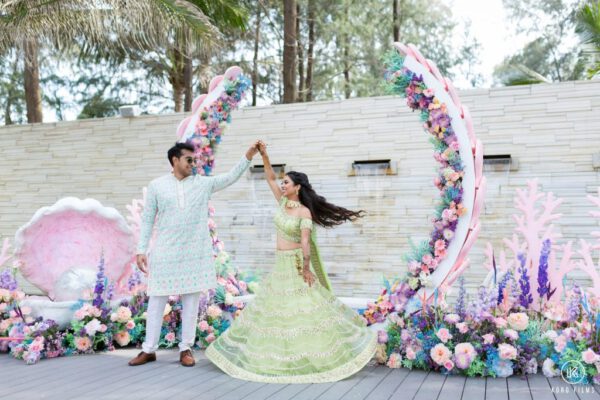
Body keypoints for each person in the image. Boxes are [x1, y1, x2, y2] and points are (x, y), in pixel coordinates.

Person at [205, 141, 376, 383]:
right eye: (283, 182)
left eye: (287, 182)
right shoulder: (283, 203)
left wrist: (306, 269)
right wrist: (264, 155)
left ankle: (313, 356)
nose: (282, 185)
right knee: (278, 312)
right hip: (280, 264)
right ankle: (282, 358)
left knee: (303, 311)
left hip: (296, 264)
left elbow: (306, 244)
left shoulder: (304, 212)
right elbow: (269, 177)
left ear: (297, 187)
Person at [129, 141, 261, 367]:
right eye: (189, 160)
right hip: (165, 251)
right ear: (175, 160)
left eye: (195, 160)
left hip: (194, 252)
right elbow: (149, 218)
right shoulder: (157, 186)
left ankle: (186, 349)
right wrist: (141, 249)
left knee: (191, 302)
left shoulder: (202, 184)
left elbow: (229, 177)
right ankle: (148, 349)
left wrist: (248, 155)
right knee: (157, 300)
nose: (194, 163)